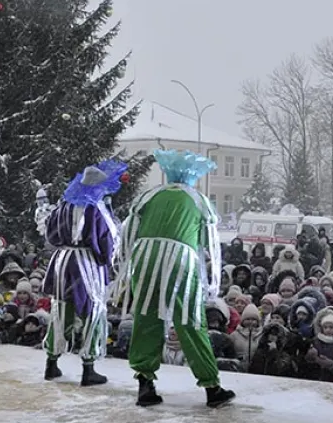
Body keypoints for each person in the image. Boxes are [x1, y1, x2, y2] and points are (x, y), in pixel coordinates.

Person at [114, 150, 235, 408]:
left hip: (144, 258)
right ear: (193, 177)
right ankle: (211, 386)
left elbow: (129, 231)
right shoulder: (198, 200)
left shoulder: (149, 196)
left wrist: (128, 264)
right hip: (180, 260)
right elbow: (207, 240)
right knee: (190, 321)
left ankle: (145, 383)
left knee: (146, 317)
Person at [42, 159, 126, 386]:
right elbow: (107, 241)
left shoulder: (63, 206)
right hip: (86, 264)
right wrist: (106, 261)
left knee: (61, 309)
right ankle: (88, 368)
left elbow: (50, 234)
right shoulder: (96, 208)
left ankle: (51, 362)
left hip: (61, 261)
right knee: (93, 309)